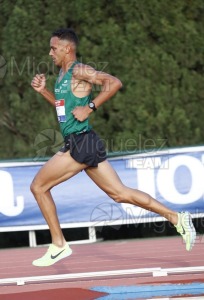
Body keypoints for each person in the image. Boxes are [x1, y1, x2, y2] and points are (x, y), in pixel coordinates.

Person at [31, 28, 196, 267]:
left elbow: (114, 82)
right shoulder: (62, 75)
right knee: (120, 193)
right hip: (83, 141)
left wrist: (90, 106)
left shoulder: (79, 70)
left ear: (68, 48)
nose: (50, 52)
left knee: (38, 186)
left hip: (81, 143)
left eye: (54, 48)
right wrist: (43, 91)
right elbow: (63, 110)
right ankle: (176, 217)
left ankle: (58, 245)